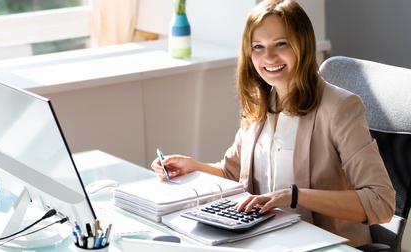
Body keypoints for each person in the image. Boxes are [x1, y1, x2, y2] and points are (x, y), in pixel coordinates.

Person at [151, 0, 395, 247]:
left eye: (281, 43)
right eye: (258, 46)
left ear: (303, 45)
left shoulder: (339, 108)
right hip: (264, 239)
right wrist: (193, 166)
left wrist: (293, 196)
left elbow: (380, 202)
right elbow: (233, 173)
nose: (268, 57)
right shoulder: (259, 103)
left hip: (323, 245)